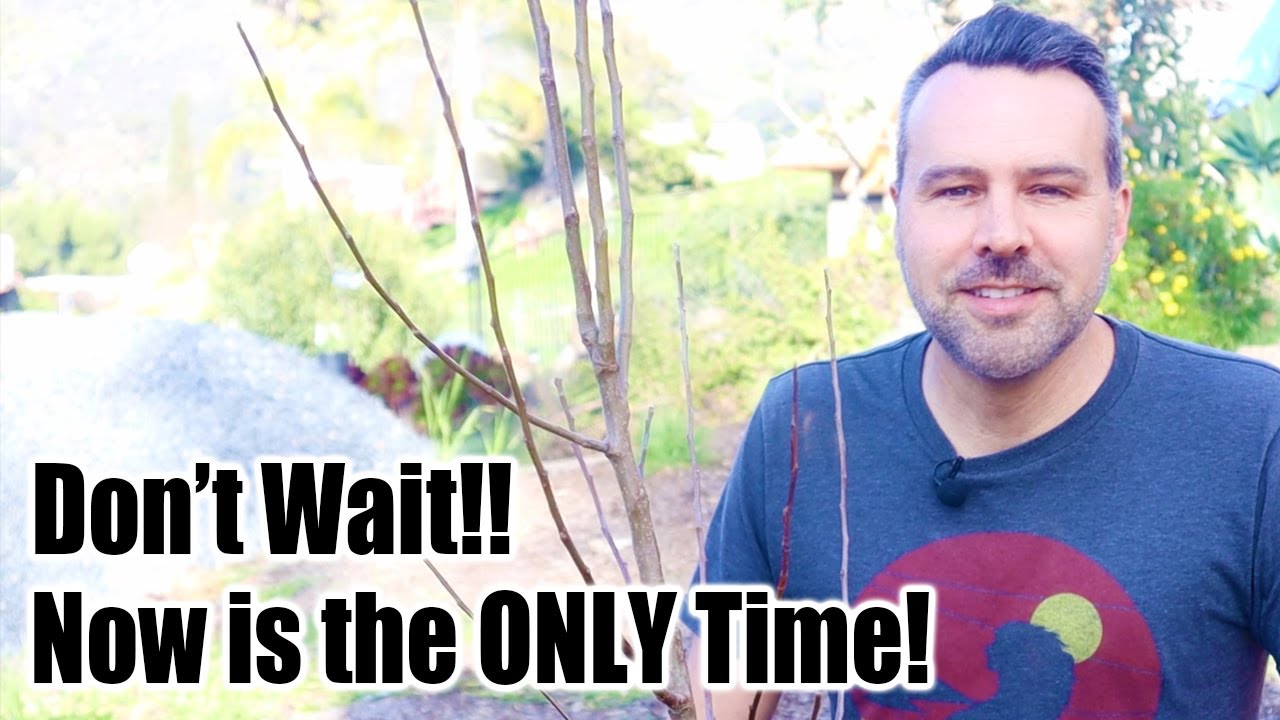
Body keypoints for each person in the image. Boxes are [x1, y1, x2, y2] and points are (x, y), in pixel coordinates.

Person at [683, 4, 1279, 719]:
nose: (1001, 234)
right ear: (899, 212)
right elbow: (714, 699)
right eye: (957, 190)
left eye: (1049, 189)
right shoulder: (806, 425)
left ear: (1117, 217)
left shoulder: (1252, 434)